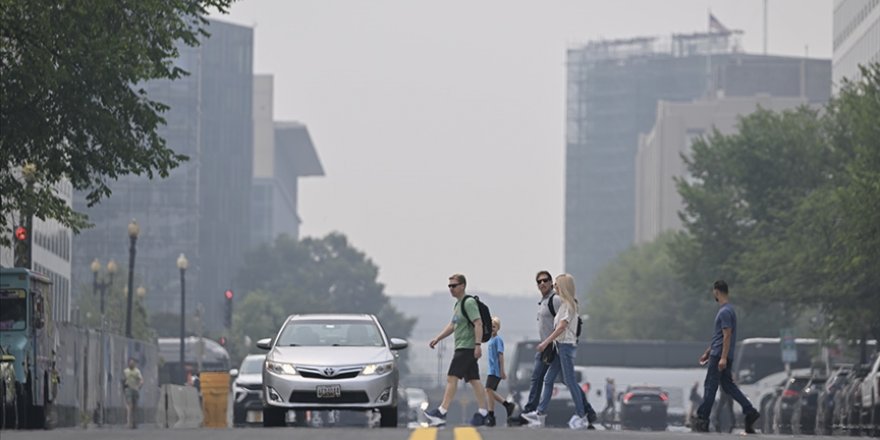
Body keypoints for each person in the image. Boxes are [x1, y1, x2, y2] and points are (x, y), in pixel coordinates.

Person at [514, 270, 596, 428]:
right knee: (548, 379)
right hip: (559, 347)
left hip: (564, 346)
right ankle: (539, 415)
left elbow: (561, 327)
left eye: (555, 284)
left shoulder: (565, 304)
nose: (552, 287)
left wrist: (545, 342)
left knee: (570, 381)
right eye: (540, 281)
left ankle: (582, 415)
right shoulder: (562, 303)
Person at [693, 280, 760, 434]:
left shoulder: (724, 312)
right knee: (728, 386)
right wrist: (708, 352)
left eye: (713, 292)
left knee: (710, 386)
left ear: (717, 291)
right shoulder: (729, 310)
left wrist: (721, 357)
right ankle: (750, 412)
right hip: (720, 353)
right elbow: (720, 337)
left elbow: (727, 335)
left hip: (720, 356)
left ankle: (702, 418)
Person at [424, 273, 490, 426]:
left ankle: (441, 412)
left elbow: (478, 323)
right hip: (463, 347)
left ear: (462, 286)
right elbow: (453, 325)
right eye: (449, 286)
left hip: (467, 348)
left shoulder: (469, 303)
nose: (451, 289)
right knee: (474, 380)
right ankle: (483, 412)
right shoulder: (458, 305)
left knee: (451, 378)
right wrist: (438, 338)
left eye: (454, 285)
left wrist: (478, 345)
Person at [484, 316, 516, 426]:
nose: (492, 328)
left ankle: (506, 405)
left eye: (494, 326)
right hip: (491, 370)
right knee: (489, 392)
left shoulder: (498, 340)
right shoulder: (491, 340)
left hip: (495, 371)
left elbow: (500, 355)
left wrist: (502, 370)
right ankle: (492, 415)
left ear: (498, 328)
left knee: (488, 390)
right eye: (491, 326)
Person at [123, 358, 144, 429]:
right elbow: (123, 379)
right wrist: (124, 387)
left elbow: (141, 380)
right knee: (129, 406)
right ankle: (129, 422)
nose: (131, 364)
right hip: (128, 389)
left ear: (134, 364)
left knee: (135, 407)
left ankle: (134, 422)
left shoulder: (137, 371)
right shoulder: (126, 371)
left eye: (132, 363)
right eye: (130, 363)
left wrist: (139, 386)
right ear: (128, 363)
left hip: (135, 389)